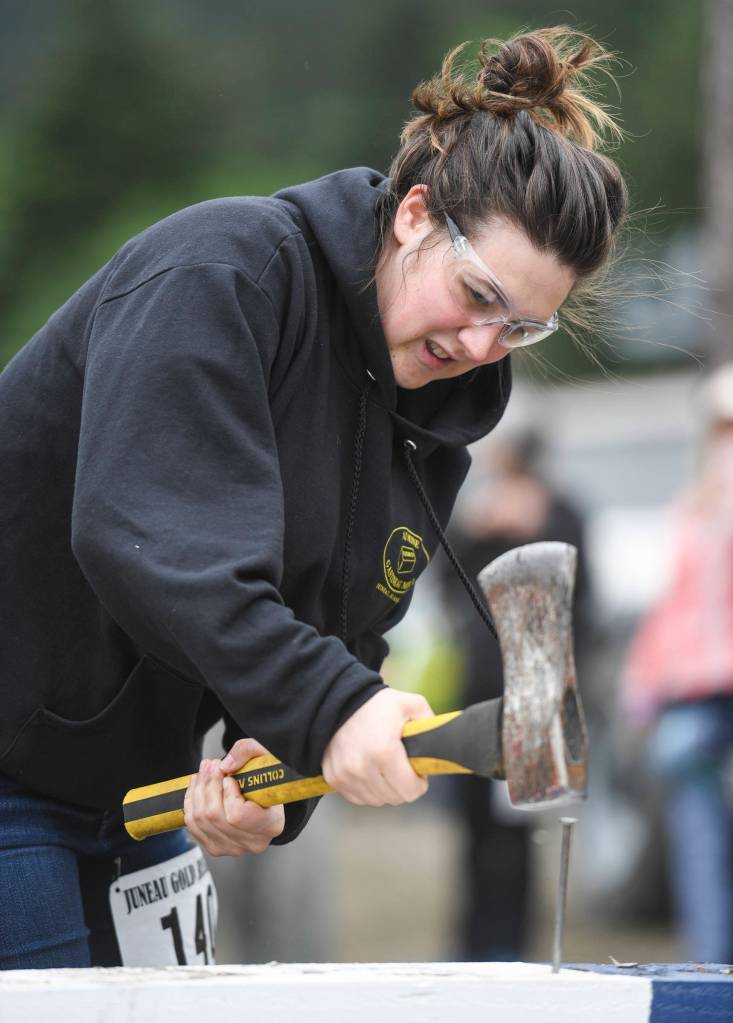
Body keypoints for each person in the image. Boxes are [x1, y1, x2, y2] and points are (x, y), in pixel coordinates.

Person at [0, 27, 628, 968]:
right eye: (476, 293)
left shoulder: (429, 419)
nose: (482, 345)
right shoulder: (223, 274)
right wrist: (333, 707)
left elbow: (336, 631)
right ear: (414, 213)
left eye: (521, 328)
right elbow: (151, 537)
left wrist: (272, 767)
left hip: (134, 798)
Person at [440, 430, 590, 960]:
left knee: (521, 830)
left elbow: (582, 599)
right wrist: (477, 527)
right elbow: (444, 584)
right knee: (474, 828)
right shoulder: (475, 511)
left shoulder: (562, 512)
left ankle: (509, 947)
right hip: (477, 693)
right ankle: (472, 944)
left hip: (535, 697)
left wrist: (540, 523)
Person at [622, 364, 733, 964]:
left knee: (703, 833)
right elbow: (676, 603)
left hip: (707, 690)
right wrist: (643, 680)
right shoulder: (693, 508)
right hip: (693, 691)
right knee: (698, 833)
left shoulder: (705, 508)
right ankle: (713, 960)